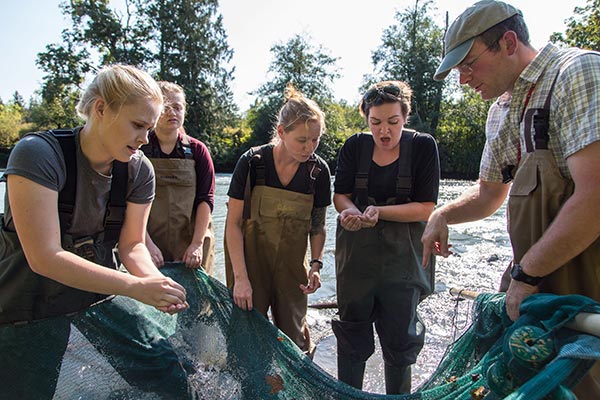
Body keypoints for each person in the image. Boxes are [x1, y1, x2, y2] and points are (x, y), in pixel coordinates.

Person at [424, 0, 600, 397]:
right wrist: (443, 213)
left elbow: (595, 197)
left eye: (468, 64)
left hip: (587, 287)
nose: (463, 80)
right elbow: (488, 196)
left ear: (507, 42)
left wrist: (526, 275)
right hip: (541, 288)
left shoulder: (578, 72)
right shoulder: (501, 109)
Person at [0, 64, 191, 399]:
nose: (145, 140)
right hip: (23, 307)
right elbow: (44, 257)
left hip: (96, 295)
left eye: (149, 128)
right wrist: (135, 286)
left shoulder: (139, 170)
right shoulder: (37, 154)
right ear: (101, 108)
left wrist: (155, 286)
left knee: (166, 372)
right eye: (137, 125)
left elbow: (132, 245)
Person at [332, 80, 440, 394]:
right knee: (351, 339)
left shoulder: (423, 146)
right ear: (365, 119)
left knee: (400, 343)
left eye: (393, 122)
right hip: (356, 263)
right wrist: (350, 213)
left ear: (405, 117)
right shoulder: (354, 146)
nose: (384, 131)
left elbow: (425, 208)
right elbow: (341, 196)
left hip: (403, 262)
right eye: (375, 123)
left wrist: (379, 212)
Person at [225, 84, 331, 356]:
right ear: (282, 133)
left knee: (294, 342)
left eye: (316, 140)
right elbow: (233, 224)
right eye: (302, 140)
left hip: (291, 269)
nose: (309, 148)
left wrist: (316, 265)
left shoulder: (318, 173)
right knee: (246, 339)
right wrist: (241, 279)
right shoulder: (252, 163)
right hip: (249, 266)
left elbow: (318, 226)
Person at [141, 81, 216, 274]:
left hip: (193, 241)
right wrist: (144, 244)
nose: (172, 112)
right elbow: (126, 201)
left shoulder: (198, 150)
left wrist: (197, 244)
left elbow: (205, 199)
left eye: (178, 107)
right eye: (166, 107)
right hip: (149, 242)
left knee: (196, 303)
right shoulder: (139, 148)